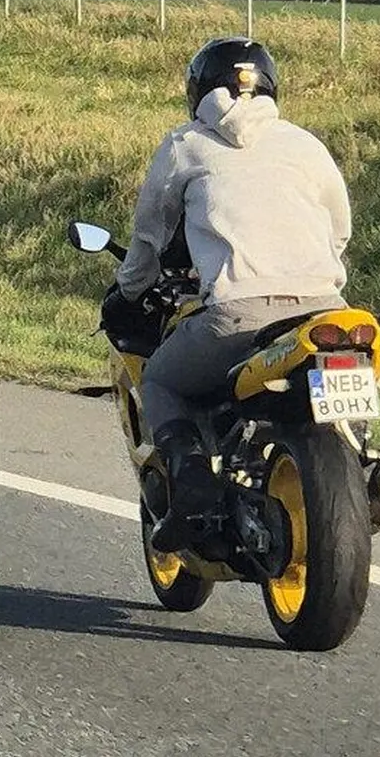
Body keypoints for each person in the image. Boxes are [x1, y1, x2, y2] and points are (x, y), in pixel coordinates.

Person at [114, 36, 353, 556]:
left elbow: (150, 238)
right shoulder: (306, 143)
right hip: (325, 310)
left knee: (161, 380)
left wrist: (129, 290)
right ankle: (369, 464)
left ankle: (193, 483)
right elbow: (339, 230)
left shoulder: (185, 145)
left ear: (197, 91)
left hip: (239, 313)